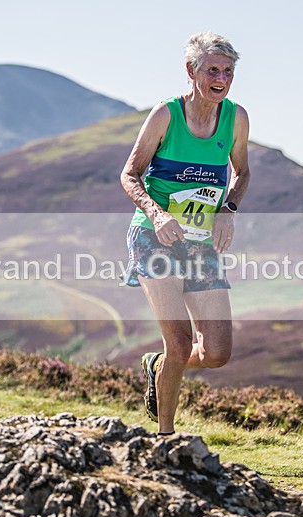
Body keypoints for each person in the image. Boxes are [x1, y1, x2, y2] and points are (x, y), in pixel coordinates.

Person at [120, 31, 251, 436]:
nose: (222, 78)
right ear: (191, 70)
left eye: (228, 71)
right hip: (154, 237)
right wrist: (158, 215)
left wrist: (227, 209)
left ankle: (157, 365)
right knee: (178, 344)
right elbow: (130, 175)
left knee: (216, 354)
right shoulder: (165, 115)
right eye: (213, 69)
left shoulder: (236, 118)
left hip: (201, 244)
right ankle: (166, 438)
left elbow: (242, 172)